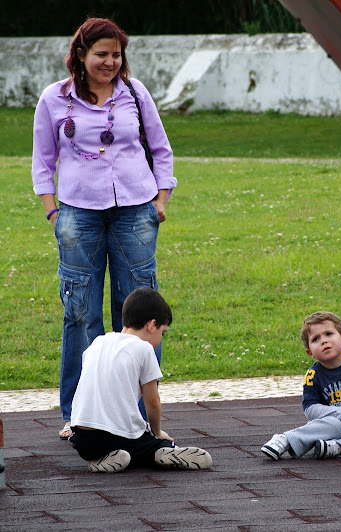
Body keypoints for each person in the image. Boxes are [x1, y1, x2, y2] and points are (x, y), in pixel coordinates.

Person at [31, 18, 176, 440]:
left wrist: (160, 201)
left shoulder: (135, 93)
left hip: (136, 212)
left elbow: (161, 148)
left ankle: (136, 415)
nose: (111, 62)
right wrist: (53, 213)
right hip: (78, 215)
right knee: (80, 315)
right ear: (80, 54)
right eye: (102, 54)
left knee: (138, 316)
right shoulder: (54, 99)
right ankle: (80, 413)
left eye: (116, 54)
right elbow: (43, 161)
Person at [68, 288, 212, 473]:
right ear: (152, 325)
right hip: (118, 436)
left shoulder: (98, 342)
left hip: (82, 439)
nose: (160, 338)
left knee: (117, 447)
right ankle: (161, 450)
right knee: (152, 444)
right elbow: (152, 401)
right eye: (163, 332)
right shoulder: (143, 349)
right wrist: (157, 433)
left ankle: (98, 459)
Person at [261, 312, 341, 460]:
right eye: (316, 339)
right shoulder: (313, 375)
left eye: (329, 334)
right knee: (334, 425)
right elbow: (310, 408)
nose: (324, 341)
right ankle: (286, 439)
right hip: (331, 427)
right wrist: (340, 414)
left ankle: (338, 447)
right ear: (309, 352)